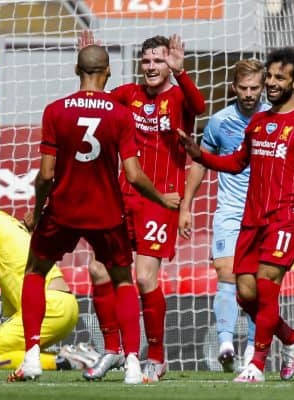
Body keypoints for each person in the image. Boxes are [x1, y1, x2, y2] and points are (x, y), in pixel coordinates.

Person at [9, 44, 180, 384]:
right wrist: (161, 197)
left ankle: (30, 357)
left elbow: (45, 174)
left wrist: (37, 210)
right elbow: (132, 174)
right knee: (122, 280)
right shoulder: (120, 114)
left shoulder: (55, 111)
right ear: (109, 73)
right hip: (106, 212)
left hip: (63, 209)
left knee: (35, 271)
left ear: (76, 70)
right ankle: (133, 363)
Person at [178, 47, 294, 383]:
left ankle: (257, 364)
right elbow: (236, 163)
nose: (271, 83)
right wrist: (200, 155)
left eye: (280, 77)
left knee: (266, 287)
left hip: (286, 219)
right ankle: (292, 339)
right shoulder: (258, 124)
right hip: (251, 220)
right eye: (271, 77)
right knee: (245, 293)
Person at [79, 31, 205, 383]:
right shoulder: (128, 95)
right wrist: (87, 65)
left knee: (145, 277)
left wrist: (180, 72)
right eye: (146, 60)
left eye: (158, 60)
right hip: (122, 196)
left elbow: (199, 107)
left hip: (161, 199)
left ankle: (158, 356)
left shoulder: (180, 97)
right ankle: (111, 350)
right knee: (99, 271)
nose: (151, 66)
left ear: (170, 63)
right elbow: (95, 101)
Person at [178, 59, 268, 373]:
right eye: (243, 88)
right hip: (230, 210)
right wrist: (186, 205)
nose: (248, 94)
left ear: (263, 86)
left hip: (264, 213)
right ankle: (226, 341)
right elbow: (201, 162)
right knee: (226, 274)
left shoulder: (273, 119)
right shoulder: (219, 121)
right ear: (233, 87)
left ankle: (253, 352)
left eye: (254, 88)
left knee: (257, 285)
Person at [0, 183, 98, 372]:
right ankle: (72, 357)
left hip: (48, 307)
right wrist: (6, 321)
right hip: (66, 306)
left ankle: (69, 360)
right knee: (3, 359)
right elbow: (9, 284)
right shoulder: (12, 224)